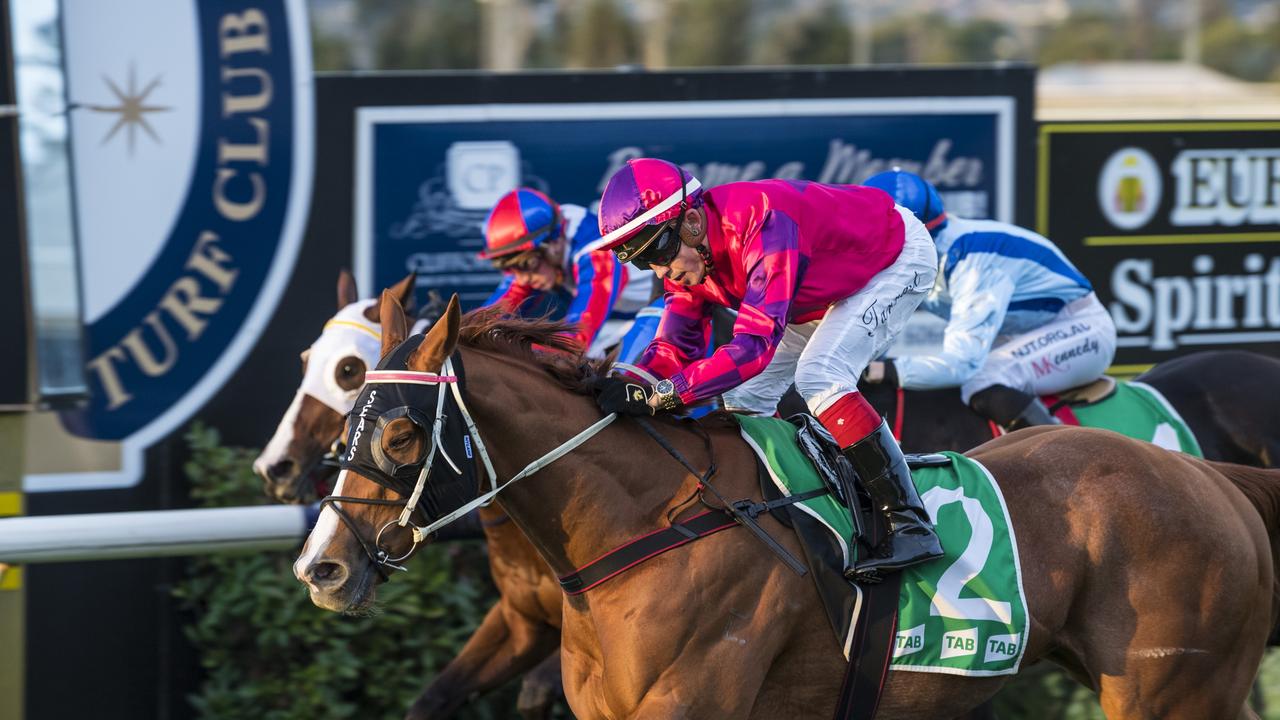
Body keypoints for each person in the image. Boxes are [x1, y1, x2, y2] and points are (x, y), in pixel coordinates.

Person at [591, 158, 942, 579]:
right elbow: (672, 347)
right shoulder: (687, 261)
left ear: (692, 222)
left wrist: (664, 395)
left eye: (660, 252)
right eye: (643, 262)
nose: (661, 270)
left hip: (893, 257)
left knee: (820, 374)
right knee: (744, 399)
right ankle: (788, 510)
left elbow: (753, 347)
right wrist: (630, 384)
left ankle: (909, 523)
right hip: (816, 282)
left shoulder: (762, 220)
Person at [860, 170, 1118, 430]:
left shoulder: (973, 259)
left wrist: (888, 371)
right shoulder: (924, 251)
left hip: (1083, 329)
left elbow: (962, 364)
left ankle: (1068, 459)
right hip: (1017, 333)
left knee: (983, 378)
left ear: (917, 236)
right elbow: (879, 328)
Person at [481, 187, 651, 358]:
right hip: (617, 320)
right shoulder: (544, 247)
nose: (522, 279)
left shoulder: (595, 251)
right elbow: (488, 320)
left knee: (621, 371)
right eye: (510, 268)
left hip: (659, 307)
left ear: (553, 244)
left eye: (527, 264)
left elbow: (574, 343)